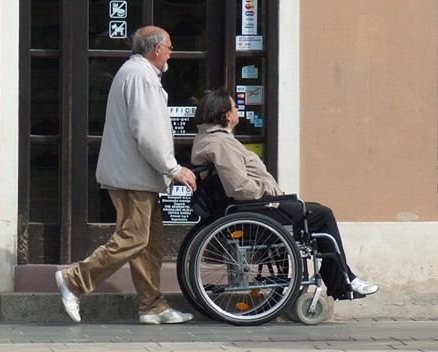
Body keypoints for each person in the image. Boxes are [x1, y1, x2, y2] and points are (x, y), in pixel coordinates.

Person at [55, 26, 197, 324]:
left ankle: (152, 306)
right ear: (156, 49)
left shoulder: (137, 74)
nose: (172, 52)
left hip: (137, 175)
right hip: (133, 176)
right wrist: (173, 168)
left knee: (149, 242)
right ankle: (74, 280)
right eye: (169, 47)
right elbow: (148, 133)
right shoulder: (141, 76)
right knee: (134, 238)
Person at [190, 88, 378, 300]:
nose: (237, 110)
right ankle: (343, 279)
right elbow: (239, 187)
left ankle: (341, 276)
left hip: (249, 209)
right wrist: (270, 191)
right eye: (235, 107)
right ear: (226, 115)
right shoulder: (222, 143)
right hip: (254, 209)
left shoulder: (207, 139)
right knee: (322, 215)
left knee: (314, 211)